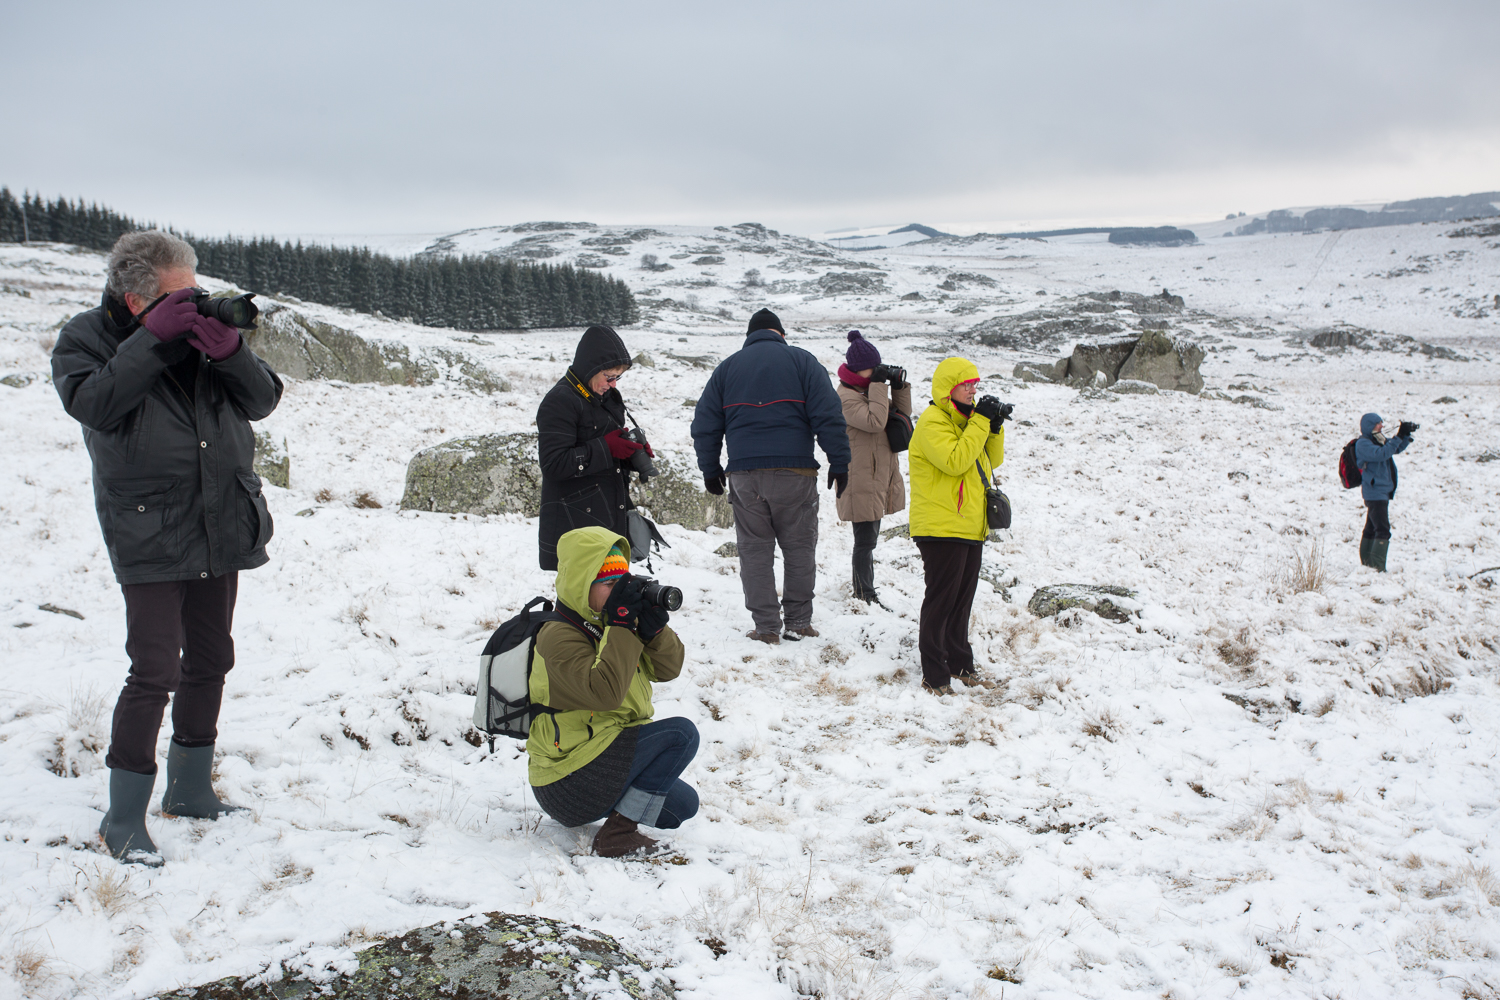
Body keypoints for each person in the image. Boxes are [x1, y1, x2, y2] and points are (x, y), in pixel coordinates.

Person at [51, 231, 283, 865]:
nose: (197, 304)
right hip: (149, 527)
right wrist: (151, 343)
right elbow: (92, 404)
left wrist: (231, 350)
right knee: (154, 669)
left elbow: (261, 400)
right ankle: (123, 818)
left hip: (219, 517)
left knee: (211, 657)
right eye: (182, 296)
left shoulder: (201, 339)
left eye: (197, 290)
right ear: (135, 300)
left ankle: (189, 789)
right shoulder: (86, 340)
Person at [527, 526, 698, 857]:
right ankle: (617, 836)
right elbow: (604, 694)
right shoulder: (557, 636)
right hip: (564, 779)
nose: (618, 592)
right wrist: (621, 627)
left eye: (621, 582)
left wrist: (655, 629)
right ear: (581, 585)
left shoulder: (612, 624)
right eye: (607, 584)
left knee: (682, 806)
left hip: (603, 755)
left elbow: (668, 670)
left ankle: (619, 815)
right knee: (682, 735)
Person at [691, 308, 851, 644]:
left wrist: (710, 469)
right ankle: (798, 621)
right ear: (781, 334)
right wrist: (839, 462)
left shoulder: (727, 369)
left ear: (749, 337)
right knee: (799, 548)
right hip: (795, 473)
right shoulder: (802, 362)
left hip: (745, 475)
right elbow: (829, 415)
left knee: (754, 550)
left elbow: (705, 425)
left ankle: (766, 628)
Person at [907, 358, 1007, 694]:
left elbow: (992, 460)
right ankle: (934, 676)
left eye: (975, 385)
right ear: (948, 389)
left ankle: (960, 665)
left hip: (968, 525)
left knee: (961, 602)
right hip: (940, 527)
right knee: (941, 602)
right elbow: (955, 461)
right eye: (966, 385)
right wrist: (980, 422)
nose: (973, 390)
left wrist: (994, 427)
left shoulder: (966, 422)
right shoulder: (932, 423)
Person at [536, 325, 651, 571]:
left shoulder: (605, 398)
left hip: (606, 520)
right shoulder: (560, 401)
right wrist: (608, 448)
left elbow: (603, 455)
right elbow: (553, 464)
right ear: (590, 368)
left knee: (611, 602)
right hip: (575, 529)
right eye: (609, 377)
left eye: (617, 378)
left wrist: (630, 453)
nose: (613, 385)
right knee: (578, 604)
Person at [834, 331, 911, 606]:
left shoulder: (868, 391)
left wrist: (899, 386)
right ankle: (864, 593)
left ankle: (865, 590)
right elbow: (876, 421)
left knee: (870, 539)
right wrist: (879, 384)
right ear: (857, 368)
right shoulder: (845, 397)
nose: (875, 372)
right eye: (872, 367)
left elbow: (900, 416)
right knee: (865, 541)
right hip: (860, 480)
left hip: (877, 476)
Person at [1354, 412, 1415, 572]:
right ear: (1369, 426)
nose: (1382, 426)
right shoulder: (1364, 444)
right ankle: (1377, 567)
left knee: (1371, 527)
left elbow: (1394, 449)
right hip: (1375, 492)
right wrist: (1397, 437)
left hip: (1380, 491)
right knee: (1382, 530)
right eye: (1378, 423)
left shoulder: (1377, 439)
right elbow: (1382, 453)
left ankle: (1368, 563)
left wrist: (1405, 435)